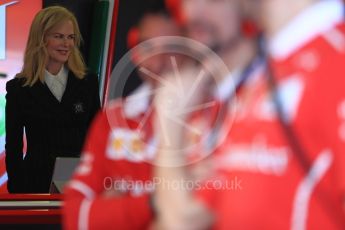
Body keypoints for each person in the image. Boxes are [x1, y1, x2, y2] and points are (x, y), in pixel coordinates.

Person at [153, 0, 345, 229]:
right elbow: (185, 218)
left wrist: (168, 127)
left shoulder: (332, 64)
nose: (191, 12)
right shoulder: (259, 83)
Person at [63, 6, 184, 230]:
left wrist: (116, 210)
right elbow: (75, 217)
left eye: (171, 46)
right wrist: (155, 203)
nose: (159, 60)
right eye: (148, 46)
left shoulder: (215, 119)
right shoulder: (111, 118)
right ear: (136, 52)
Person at [5, 6, 100, 193]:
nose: (67, 43)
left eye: (71, 37)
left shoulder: (88, 82)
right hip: (34, 186)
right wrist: (17, 192)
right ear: (41, 39)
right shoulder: (19, 89)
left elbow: (97, 137)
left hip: (78, 185)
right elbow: (13, 146)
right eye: (58, 36)